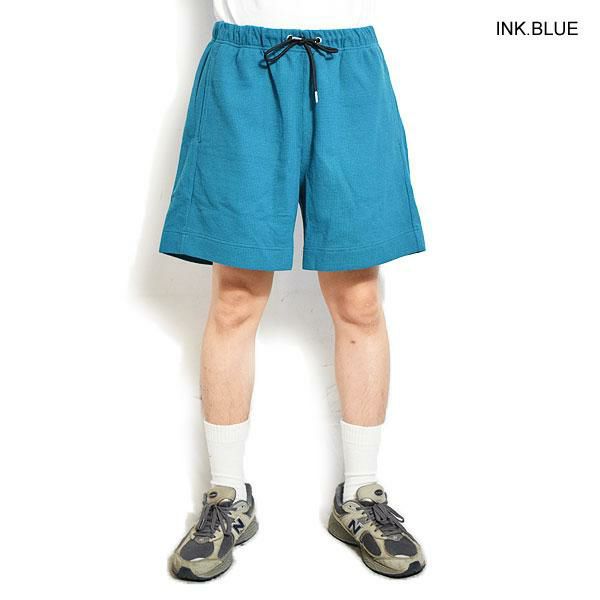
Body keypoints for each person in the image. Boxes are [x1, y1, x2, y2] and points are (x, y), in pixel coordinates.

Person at [161, 0, 426, 581]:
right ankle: (227, 496)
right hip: (244, 67)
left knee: (359, 299)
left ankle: (360, 494)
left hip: (349, 68)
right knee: (235, 297)